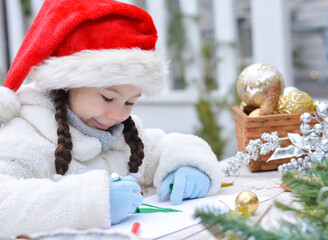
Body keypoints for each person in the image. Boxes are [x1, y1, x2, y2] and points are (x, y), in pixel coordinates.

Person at [0, 0, 222, 237]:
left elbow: (167, 146)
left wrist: (189, 163)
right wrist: (91, 201)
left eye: (130, 102)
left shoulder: (123, 135)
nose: (118, 115)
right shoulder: (27, 134)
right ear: (68, 85)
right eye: (107, 98)